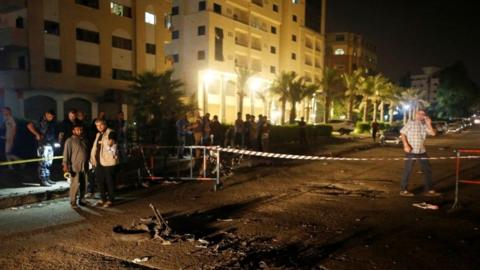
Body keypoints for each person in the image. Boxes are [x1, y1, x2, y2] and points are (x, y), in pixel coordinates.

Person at [399, 110, 440, 197]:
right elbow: (402, 133)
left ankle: (429, 190)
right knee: (408, 170)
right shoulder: (411, 123)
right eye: (419, 113)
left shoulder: (424, 125)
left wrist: (429, 123)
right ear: (416, 115)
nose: (421, 115)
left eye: (423, 114)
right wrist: (406, 145)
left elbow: (433, 133)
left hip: (422, 151)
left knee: (427, 170)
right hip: (411, 151)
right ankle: (403, 190)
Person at [90, 119, 119, 207]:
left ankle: (111, 200)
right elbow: (95, 148)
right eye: (97, 126)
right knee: (100, 181)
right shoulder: (98, 134)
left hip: (108, 162)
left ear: (105, 124)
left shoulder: (111, 132)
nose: (99, 127)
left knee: (110, 181)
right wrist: (92, 159)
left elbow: (111, 142)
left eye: (101, 125)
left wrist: (104, 142)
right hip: (98, 162)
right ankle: (103, 199)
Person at [27, 110, 59, 186]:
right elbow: (29, 125)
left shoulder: (51, 122)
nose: (51, 118)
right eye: (50, 116)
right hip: (42, 144)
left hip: (50, 144)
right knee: (43, 163)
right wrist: (37, 134)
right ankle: (43, 180)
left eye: (52, 117)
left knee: (49, 162)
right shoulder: (39, 120)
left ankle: (47, 178)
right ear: (46, 114)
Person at [62, 124, 88, 208]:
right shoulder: (69, 141)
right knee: (75, 184)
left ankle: (82, 199)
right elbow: (66, 154)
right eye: (77, 130)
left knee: (84, 184)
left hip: (84, 166)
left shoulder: (84, 140)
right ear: (73, 131)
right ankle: (73, 202)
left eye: (80, 129)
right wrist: (65, 165)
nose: (79, 131)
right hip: (74, 166)